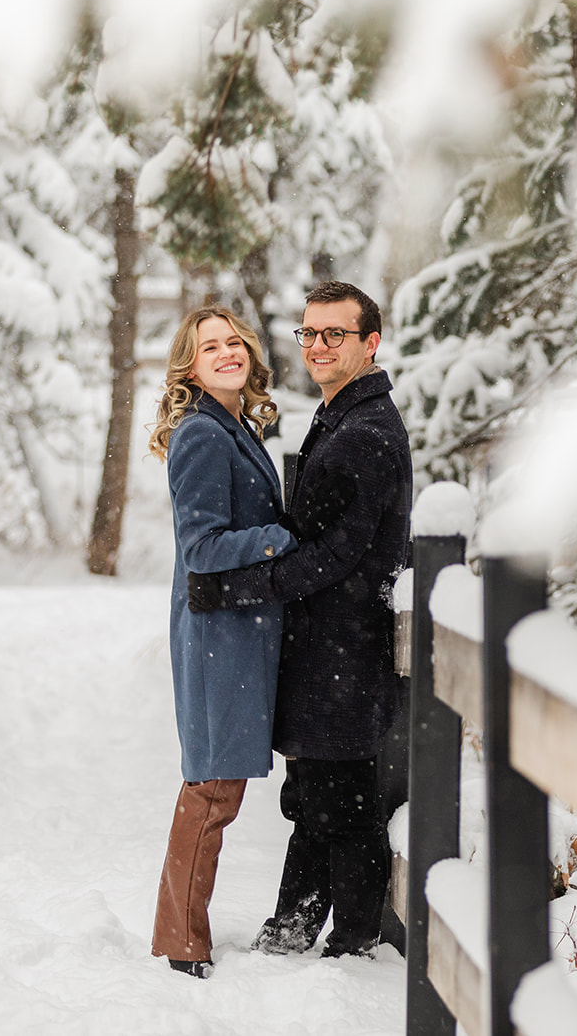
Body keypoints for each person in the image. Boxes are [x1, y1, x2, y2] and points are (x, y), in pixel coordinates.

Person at [188, 280, 413, 960]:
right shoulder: (339, 415)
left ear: (369, 343)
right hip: (323, 646)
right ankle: (293, 930)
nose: (318, 345)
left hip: (344, 645)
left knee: (342, 801)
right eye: (309, 333)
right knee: (315, 796)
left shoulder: (366, 432)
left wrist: (238, 586)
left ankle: (352, 943)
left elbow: (335, 555)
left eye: (334, 334)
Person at [148, 305, 296, 980]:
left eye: (233, 341)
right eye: (210, 346)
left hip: (236, 631)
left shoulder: (236, 425)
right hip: (215, 632)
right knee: (210, 786)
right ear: (191, 365)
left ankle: (181, 929)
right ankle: (181, 939)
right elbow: (202, 546)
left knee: (217, 784)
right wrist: (282, 538)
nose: (226, 351)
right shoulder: (203, 434)